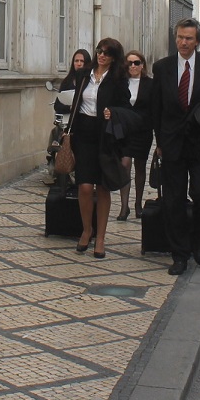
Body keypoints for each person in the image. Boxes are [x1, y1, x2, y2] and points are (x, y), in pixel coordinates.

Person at [149, 18, 200, 275]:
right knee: (173, 200)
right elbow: (156, 108)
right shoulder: (162, 68)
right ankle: (180, 254)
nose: (183, 43)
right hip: (173, 145)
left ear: (197, 41)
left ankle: (198, 241)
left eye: (188, 39)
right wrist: (159, 142)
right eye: (180, 38)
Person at [67, 38, 130, 259]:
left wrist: (112, 112)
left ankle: (101, 237)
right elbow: (76, 103)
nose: (102, 55)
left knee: (102, 187)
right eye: (100, 51)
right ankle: (87, 229)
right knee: (84, 186)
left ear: (114, 57)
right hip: (83, 132)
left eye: (107, 53)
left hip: (105, 135)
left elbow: (126, 106)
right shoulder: (85, 74)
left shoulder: (118, 78)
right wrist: (70, 133)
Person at [117, 50, 154, 221]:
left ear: (143, 65)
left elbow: (155, 108)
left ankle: (138, 203)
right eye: (130, 63)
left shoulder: (150, 84)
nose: (133, 66)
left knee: (140, 166)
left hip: (143, 131)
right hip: (124, 131)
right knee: (125, 164)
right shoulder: (121, 83)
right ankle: (124, 206)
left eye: (137, 62)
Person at [55, 49, 92, 115]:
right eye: (76, 61)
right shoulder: (67, 81)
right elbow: (57, 106)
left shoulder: (92, 81)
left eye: (82, 61)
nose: (79, 64)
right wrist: (70, 108)